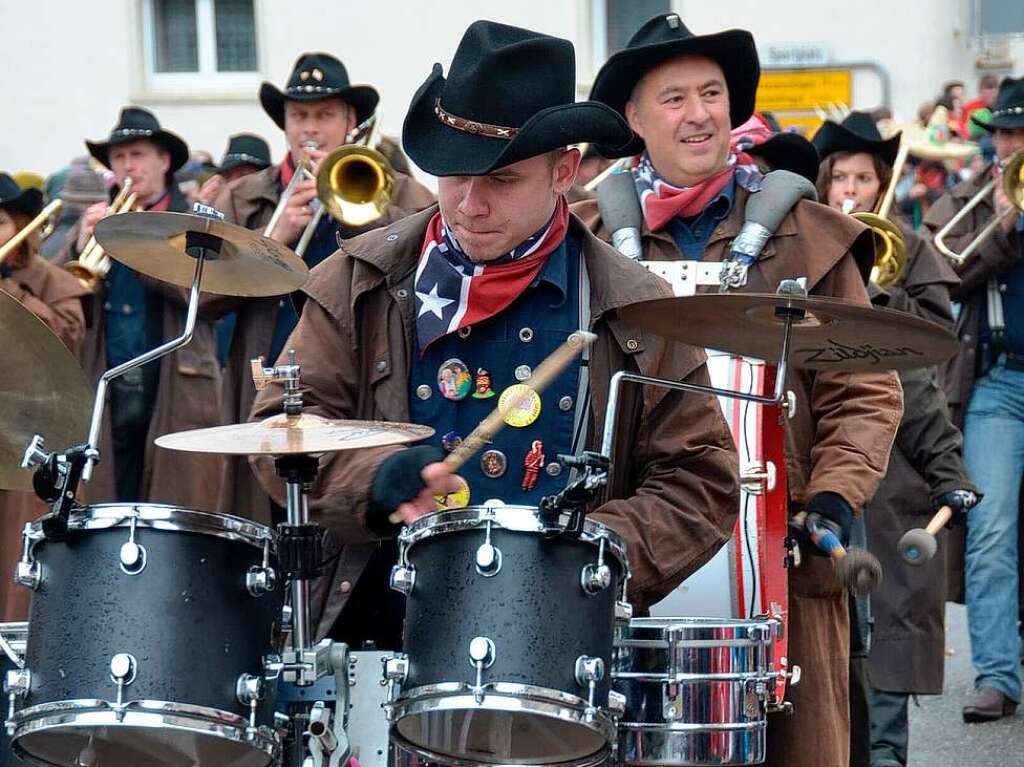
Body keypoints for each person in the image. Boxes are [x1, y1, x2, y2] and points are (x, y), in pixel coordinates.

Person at [248, 19, 740, 649]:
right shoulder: (355, 279)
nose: (470, 206)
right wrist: (373, 478)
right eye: (455, 176)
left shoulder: (636, 306)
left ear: (564, 170)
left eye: (503, 180)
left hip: (560, 640)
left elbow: (700, 480)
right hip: (380, 634)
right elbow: (279, 433)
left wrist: (589, 557)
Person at [573, 14, 903, 767]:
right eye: (675, 97)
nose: (700, 114)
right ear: (632, 117)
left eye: (713, 93)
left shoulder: (808, 232)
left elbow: (865, 390)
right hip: (635, 561)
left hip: (784, 565)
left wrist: (833, 498)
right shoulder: (585, 233)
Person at [813, 113, 980, 766]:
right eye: (840, 178)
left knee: (883, 646)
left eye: (863, 178)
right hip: (822, 464)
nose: (850, 191)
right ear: (823, 185)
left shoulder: (906, 247)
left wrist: (880, 298)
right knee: (827, 651)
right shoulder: (804, 247)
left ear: (881, 187)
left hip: (895, 471)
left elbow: (926, 360)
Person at [212, 52, 435, 525]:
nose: (310, 129)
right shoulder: (243, 196)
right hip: (265, 384)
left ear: (350, 121)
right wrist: (269, 248)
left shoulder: (395, 190)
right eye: (299, 116)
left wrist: (368, 215)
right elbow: (203, 294)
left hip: (357, 387)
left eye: (324, 115)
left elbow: (432, 257)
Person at [55, 106, 225, 510]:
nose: (128, 166)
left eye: (138, 155)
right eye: (119, 157)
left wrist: (137, 245)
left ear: (164, 161)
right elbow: (63, 290)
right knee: (105, 505)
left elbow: (208, 294)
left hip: (173, 384)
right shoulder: (100, 220)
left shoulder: (194, 222)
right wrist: (79, 245)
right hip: (106, 381)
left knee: (169, 507)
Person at [923, 75, 1024, 723]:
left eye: (1023, 134)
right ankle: (997, 675)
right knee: (991, 532)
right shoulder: (968, 200)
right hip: (998, 383)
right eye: (1007, 134)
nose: (1014, 146)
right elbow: (941, 272)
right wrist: (1006, 227)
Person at [0, 172, 90, 622]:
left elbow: (68, 338)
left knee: (19, 548)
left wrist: (12, 293)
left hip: (28, 434)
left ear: (20, 226)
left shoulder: (50, 279)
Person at [196, 133, 272, 206]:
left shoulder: (277, 210)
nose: (232, 184)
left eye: (242, 176)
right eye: (227, 176)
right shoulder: (216, 206)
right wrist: (202, 207)